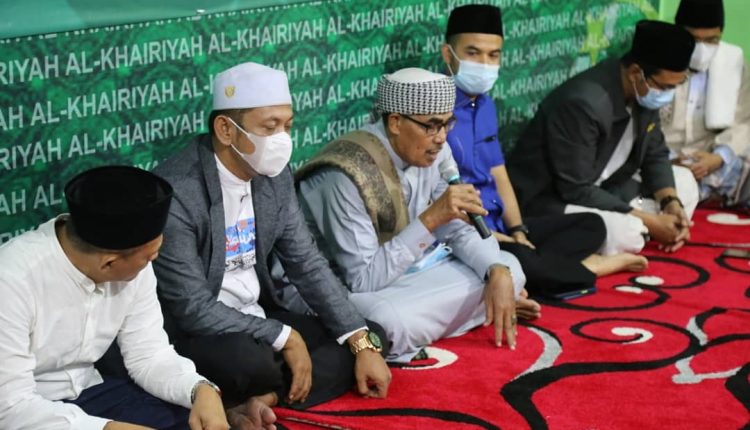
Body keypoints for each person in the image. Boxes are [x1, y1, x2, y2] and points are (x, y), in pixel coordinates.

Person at [152, 62, 392, 422]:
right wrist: (285, 337)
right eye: (269, 127)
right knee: (250, 362)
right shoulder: (180, 192)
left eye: (287, 126)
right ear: (226, 130)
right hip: (200, 332)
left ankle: (265, 398)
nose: (282, 138)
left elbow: (306, 263)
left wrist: (358, 339)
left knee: (372, 336)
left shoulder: (273, 175)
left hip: (259, 316)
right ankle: (265, 386)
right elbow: (192, 308)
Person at [296, 67, 530, 363]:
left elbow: (458, 230)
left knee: (508, 268)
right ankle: (478, 310)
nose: (441, 138)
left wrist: (494, 269)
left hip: (401, 276)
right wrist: (431, 219)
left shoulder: (434, 150)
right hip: (339, 289)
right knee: (387, 319)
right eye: (432, 125)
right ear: (395, 122)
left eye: (447, 124)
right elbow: (363, 280)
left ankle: (480, 304)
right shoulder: (346, 174)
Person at [0, 166, 235, 430]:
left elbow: (149, 355)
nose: (154, 260)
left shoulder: (134, 262)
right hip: (29, 409)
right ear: (108, 263)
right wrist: (107, 428)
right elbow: (10, 407)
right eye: (148, 257)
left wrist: (199, 389)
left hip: (93, 391)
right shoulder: (11, 280)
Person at [441, 4, 648, 298]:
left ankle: (540, 267)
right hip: (466, 234)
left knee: (593, 226)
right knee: (516, 259)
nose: (484, 64)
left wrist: (518, 230)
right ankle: (589, 269)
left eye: (493, 55)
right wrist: (501, 239)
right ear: (447, 54)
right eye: (473, 53)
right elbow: (437, 201)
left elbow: (499, 175)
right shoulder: (434, 111)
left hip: (500, 225)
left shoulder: (485, 104)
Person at [507, 20, 700, 255]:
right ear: (635, 73)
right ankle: (645, 228)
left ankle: (652, 226)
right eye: (665, 87)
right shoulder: (583, 103)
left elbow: (655, 153)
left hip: (609, 188)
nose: (668, 95)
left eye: (675, 87)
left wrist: (671, 203)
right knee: (627, 232)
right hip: (553, 200)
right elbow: (575, 189)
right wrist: (650, 221)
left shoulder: (644, 91)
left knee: (685, 182)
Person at [661, 0, 750, 207]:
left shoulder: (734, 64)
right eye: (693, 39)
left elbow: (744, 121)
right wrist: (670, 160)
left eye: (711, 40)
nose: (702, 49)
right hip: (667, 159)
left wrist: (719, 157)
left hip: (713, 158)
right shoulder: (659, 62)